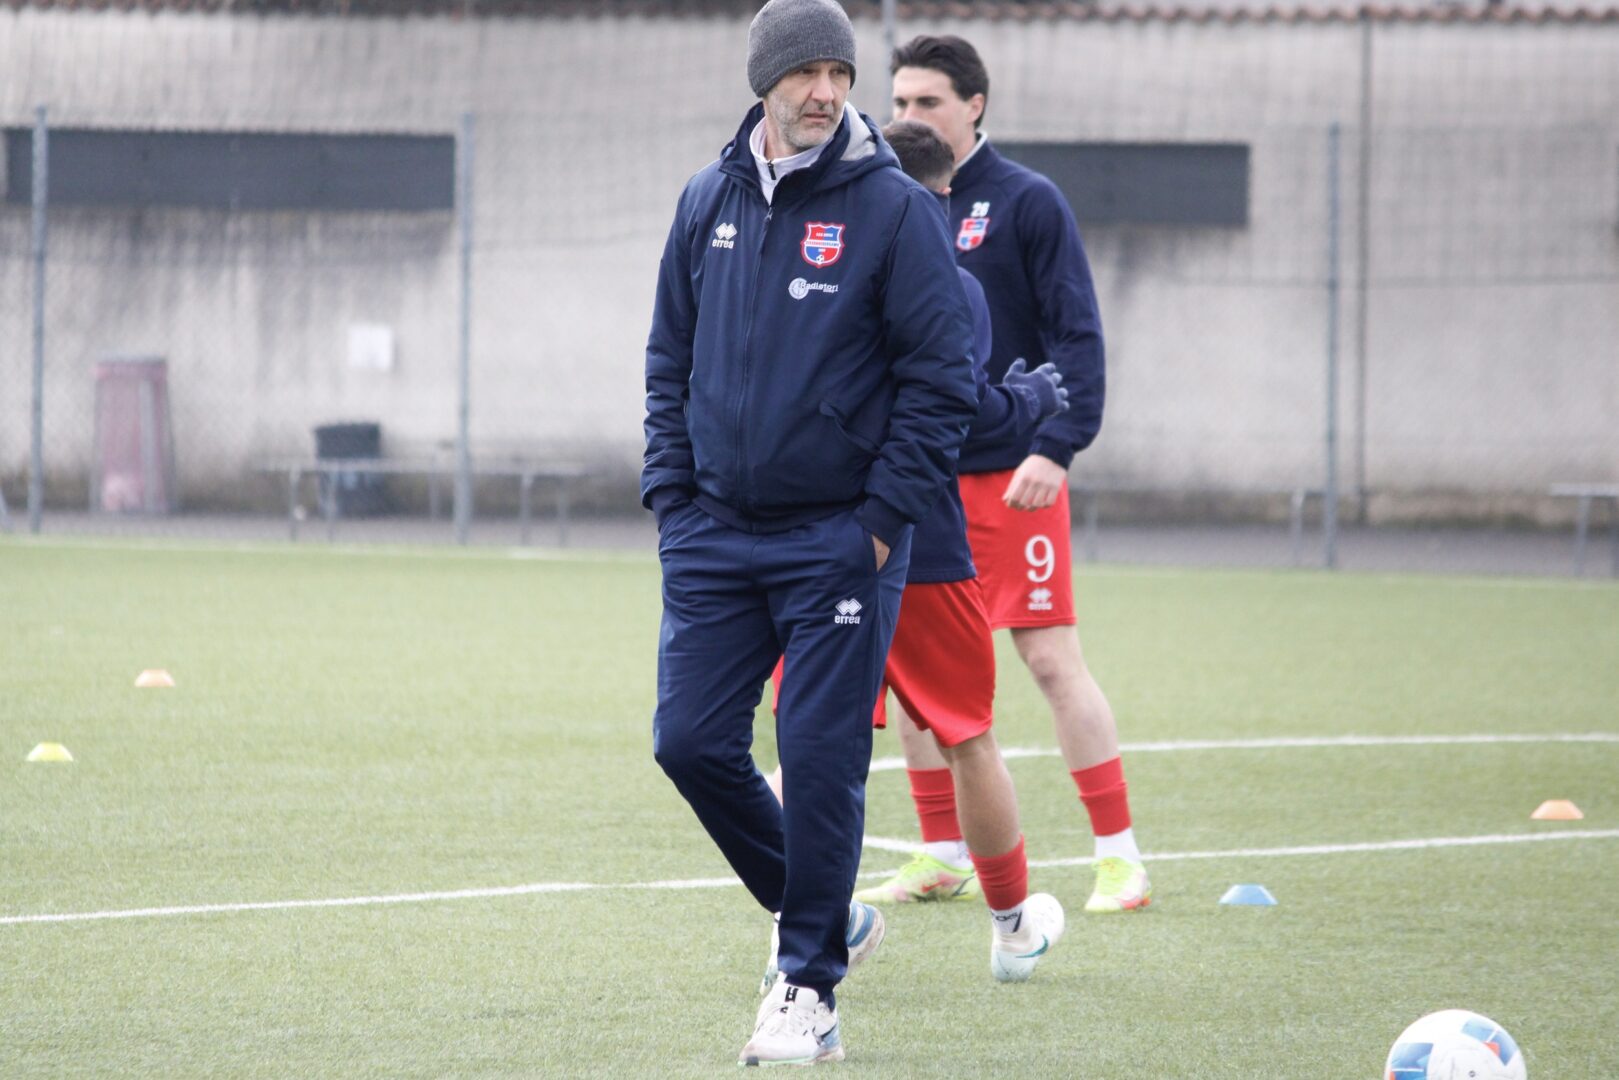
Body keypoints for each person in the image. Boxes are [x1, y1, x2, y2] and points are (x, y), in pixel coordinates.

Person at [641, 0, 979, 1066]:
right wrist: (671, 499)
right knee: (688, 743)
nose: (824, 92)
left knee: (820, 762)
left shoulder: (892, 209)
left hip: (839, 541)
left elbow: (941, 383)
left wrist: (876, 527)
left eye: (839, 73)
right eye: (804, 74)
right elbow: (667, 358)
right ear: (764, 83)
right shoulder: (706, 199)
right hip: (712, 535)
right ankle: (830, 916)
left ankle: (806, 992)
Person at [767, 118, 1073, 986]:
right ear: (943, 193)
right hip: (918, 537)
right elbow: (956, 413)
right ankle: (1011, 930)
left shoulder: (802, 268)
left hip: (812, 537)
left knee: (804, 745)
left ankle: (790, 933)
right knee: (969, 736)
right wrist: (1028, 401)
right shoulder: (950, 279)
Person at [874, 34, 1153, 915]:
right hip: (918, 480)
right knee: (913, 673)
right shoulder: (885, 199)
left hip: (1012, 475)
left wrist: (1055, 446)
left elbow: (1077, 335)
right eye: (900, 102)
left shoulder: (1027, 201)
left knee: (1048, 658)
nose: (910, 116)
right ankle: (940, 852)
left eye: (927, 101)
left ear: (974, 105)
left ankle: (1118, 857)